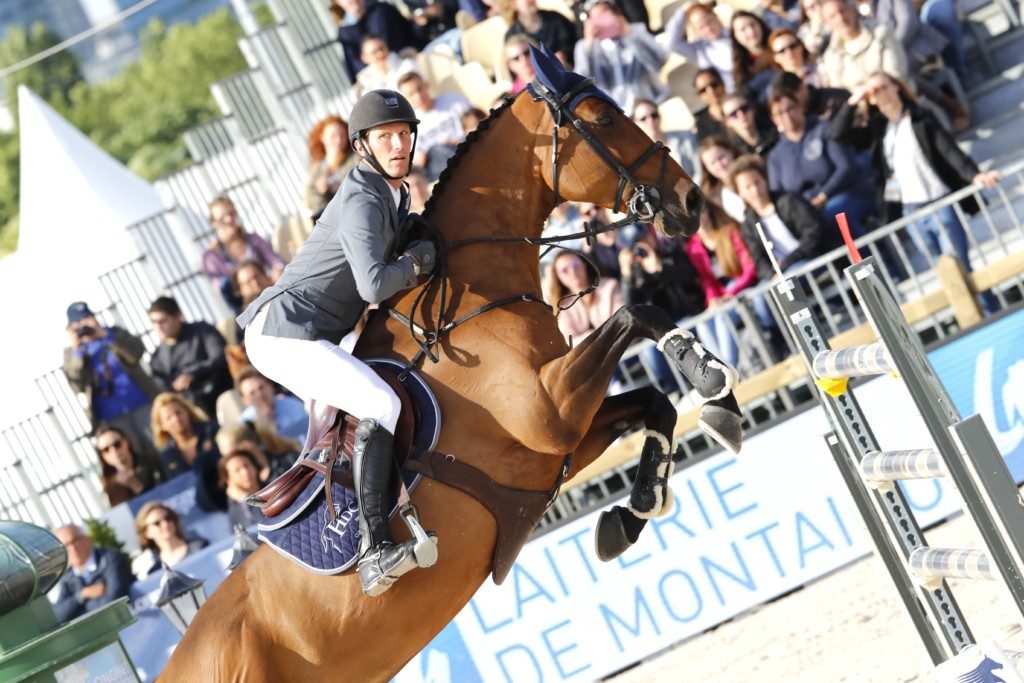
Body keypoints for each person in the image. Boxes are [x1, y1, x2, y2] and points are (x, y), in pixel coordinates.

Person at [237, 89, 438, 597]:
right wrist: (417, 263)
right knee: (379, 402)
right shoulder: (363, 195)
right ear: (364, 146)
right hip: (283, 333)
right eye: (386, 136)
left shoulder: (394, 192)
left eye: (404, 134)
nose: (398, 143)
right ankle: (374, 552)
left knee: (376, 399)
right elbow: (373, 284)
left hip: (310, 331)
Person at [829, 71, 999, 310]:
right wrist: (854, 100)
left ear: (896, 87)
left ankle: (990, 311)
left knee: (960, 265)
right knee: (943, 270)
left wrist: (975, 175)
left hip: (940, 202)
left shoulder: (920, 118)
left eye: (884, 87)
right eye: (874, 91)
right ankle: (970, 315)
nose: (880, 93)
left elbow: (950, 151)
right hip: (912, 212)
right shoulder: (877, 129)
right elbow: (837, 135)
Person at [766, 88, 874, 234]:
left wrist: (824, 195)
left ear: (800, 107)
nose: (787, 116)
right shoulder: (775, 156)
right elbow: (779, 196)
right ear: (774, 119)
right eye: (780, 113)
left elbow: (846, 167)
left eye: (790, 108)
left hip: (846, 194)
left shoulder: (823, 129)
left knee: (835, 215)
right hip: (808, 212)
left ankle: (867, 258)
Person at [61, 301, 160, 457]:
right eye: (78, 322)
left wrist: (106, 336)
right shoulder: (72, 354)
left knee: (161, 448)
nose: (84, 324)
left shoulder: (114, 333)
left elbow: (136, 353)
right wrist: (77, 350)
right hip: (111, 417)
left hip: (142, 403)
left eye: (87, 318)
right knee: (135, 457)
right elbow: (77, 384)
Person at [729, 153, 831, 279]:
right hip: (781, 272)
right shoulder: (748, 224)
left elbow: (813, 234)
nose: (755, 190)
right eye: (747, 187)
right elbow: (758, 259)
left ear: (765, 180)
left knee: (790, 281)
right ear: (739, 192)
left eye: (757, 182)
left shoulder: (789, 201)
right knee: (760, 297)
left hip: (810, 259)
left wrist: (786, 264)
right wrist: (771, 275)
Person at [684, 202, 761, 366]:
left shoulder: (729, 232)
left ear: (708, 214)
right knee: (703, 323)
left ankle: (728, 366)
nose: (698, 219)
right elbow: (706, 280)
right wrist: (712, 300)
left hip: (742, 289)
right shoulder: (693, 248)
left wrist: (729, 294)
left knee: (722, 317)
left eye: (700, 212)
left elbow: (749, 269)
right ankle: (717, 367)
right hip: (721, 296)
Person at [573, 0, 667, 112]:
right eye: (597, 18)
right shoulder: (583, 47)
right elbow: (583, 81)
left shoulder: (636, 31)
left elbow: (660, 59)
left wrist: (630, 35)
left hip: (649, 102)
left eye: (605, 14)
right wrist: (589, 44)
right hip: (615, 112)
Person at [148, 296, 234, 417]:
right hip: (194, 411)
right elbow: (165, 392)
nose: (158, 327)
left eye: (163, 321)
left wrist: (192, 373)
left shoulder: (202, 331)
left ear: (178, 316)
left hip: (225, 391)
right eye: (153, 322)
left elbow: (221, 357)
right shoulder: (157, 360)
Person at [202, 197, 285, 313]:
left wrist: (278, 269)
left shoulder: (253, 240)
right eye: (222, 218)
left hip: (270, 295)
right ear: (214, 223)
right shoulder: (211, 257)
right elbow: (222, 289)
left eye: (231, 213)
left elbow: (276, 260)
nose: (229, 219)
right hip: (244, 309)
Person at [151, 392, 224, 512]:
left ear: (187, 412)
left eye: (178, 412)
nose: (176, 419)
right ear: (162, 425)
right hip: (195, 510)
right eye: (169, 418)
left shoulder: (211, 430)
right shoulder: (166, 456)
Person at [820, 0, 909, 92]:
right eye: (832, 16)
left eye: (842, 10)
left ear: (852, 9)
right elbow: (839, 91)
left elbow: (896, 74)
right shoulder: (831, 56)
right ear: (827, 23)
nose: (840, 18)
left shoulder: (881, 35)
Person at [52, 524, 134, 624]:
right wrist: (82, 595)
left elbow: (115, 601)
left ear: (87, 539)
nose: (72, 548)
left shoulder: (110, 559)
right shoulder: (68, 576)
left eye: (75, 540)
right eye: (66, 546)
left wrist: (79, 612)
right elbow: (57, 616)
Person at [397, 72, 469, 181]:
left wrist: (458, 140)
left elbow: (476, 122)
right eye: (411, 94)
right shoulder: (410, 127)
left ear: (426, 85)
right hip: (438, 167)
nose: (418, 96)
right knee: (436, 151)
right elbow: (418, 163)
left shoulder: (453, 101)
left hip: (464, 147)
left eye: (419, 89)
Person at [543, 249, 622, 344]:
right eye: (565, 270)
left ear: (585, 265)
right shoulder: (563, 306)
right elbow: (569, 342)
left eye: (576, 265)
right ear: (558, 277)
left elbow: (620, 324)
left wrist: (589, 338)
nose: (573, 271)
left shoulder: (610, 287)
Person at [334, 0, 422, 82]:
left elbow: (409, 35)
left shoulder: (383, 10)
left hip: (403, 66)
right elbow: (354, 66)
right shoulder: (345, 33)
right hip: (375, 79)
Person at [664, 3, 736, 92]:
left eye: (709, 22)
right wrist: (682, 12)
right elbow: (671, 43)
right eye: (701, 27)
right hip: (731, 94)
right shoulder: (698, 50)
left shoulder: (736, 32)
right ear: (695, 31)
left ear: (716, 16)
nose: (708, 29)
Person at [235, 366, 309, 444]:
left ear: (270, 386)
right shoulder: (244, 422)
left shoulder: (292, 406)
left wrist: (272, 425)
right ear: (245, 400)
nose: (260, 394)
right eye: (252, 393)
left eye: (261, 387)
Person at [134, 502, 209, 578]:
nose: (165, 524)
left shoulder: (200, 546)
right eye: (157, 523)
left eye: (168, 518)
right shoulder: (155, 572)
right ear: (146, 532)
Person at [306, 116, 360, 220]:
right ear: (322, 137)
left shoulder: (355, 158)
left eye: (342, 135)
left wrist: (342, 187)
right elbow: (311, 202)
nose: (338, 140)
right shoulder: (317, 169)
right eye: (333, 136)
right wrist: (320, 192)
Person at [95, 426, 164, 507]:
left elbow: (163, 496)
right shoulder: (106, 484)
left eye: (117, 444)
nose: (114, 451)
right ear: (102, 456)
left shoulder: (152, 463)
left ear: (126, 442)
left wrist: (136, 485)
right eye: (106, 449)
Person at [631, 98, 698, 178]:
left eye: (654, 115)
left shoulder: (686, 136)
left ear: (659, 117)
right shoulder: (639, 157)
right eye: (643, 119)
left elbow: (699, 170)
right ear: (635, 123)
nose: (650, 121)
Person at [503, 0, 578, 66]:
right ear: (513, 4)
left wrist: (563, 54)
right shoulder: (512, 36)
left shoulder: (555, 18)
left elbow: (574, 40)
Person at [697, 135, 748, 222]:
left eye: (721, 158)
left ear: (731, 152)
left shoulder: (754, 171)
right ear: (707, 169)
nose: (720, 165)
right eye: (712, 163)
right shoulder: (720, 199)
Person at [730, 10, 775, 96]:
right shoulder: (740, 68)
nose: (751, 31)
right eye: (743, 29)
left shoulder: (780, 48)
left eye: (753, 25)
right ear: (735, 36)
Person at [218, 450, 266, 529]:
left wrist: (246, 497)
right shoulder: (234, 511)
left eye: (247, 466)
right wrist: (244, 498)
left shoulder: (273, 488)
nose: (245, 472)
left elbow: (267, 516)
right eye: (237, 470)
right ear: (228, 479)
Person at [692, 67, 730, 139]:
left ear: (722, 83)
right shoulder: (702, 125)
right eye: (703, 90)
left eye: (714, 84)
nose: (711, 91)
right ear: (699, 96)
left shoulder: (743, 105)